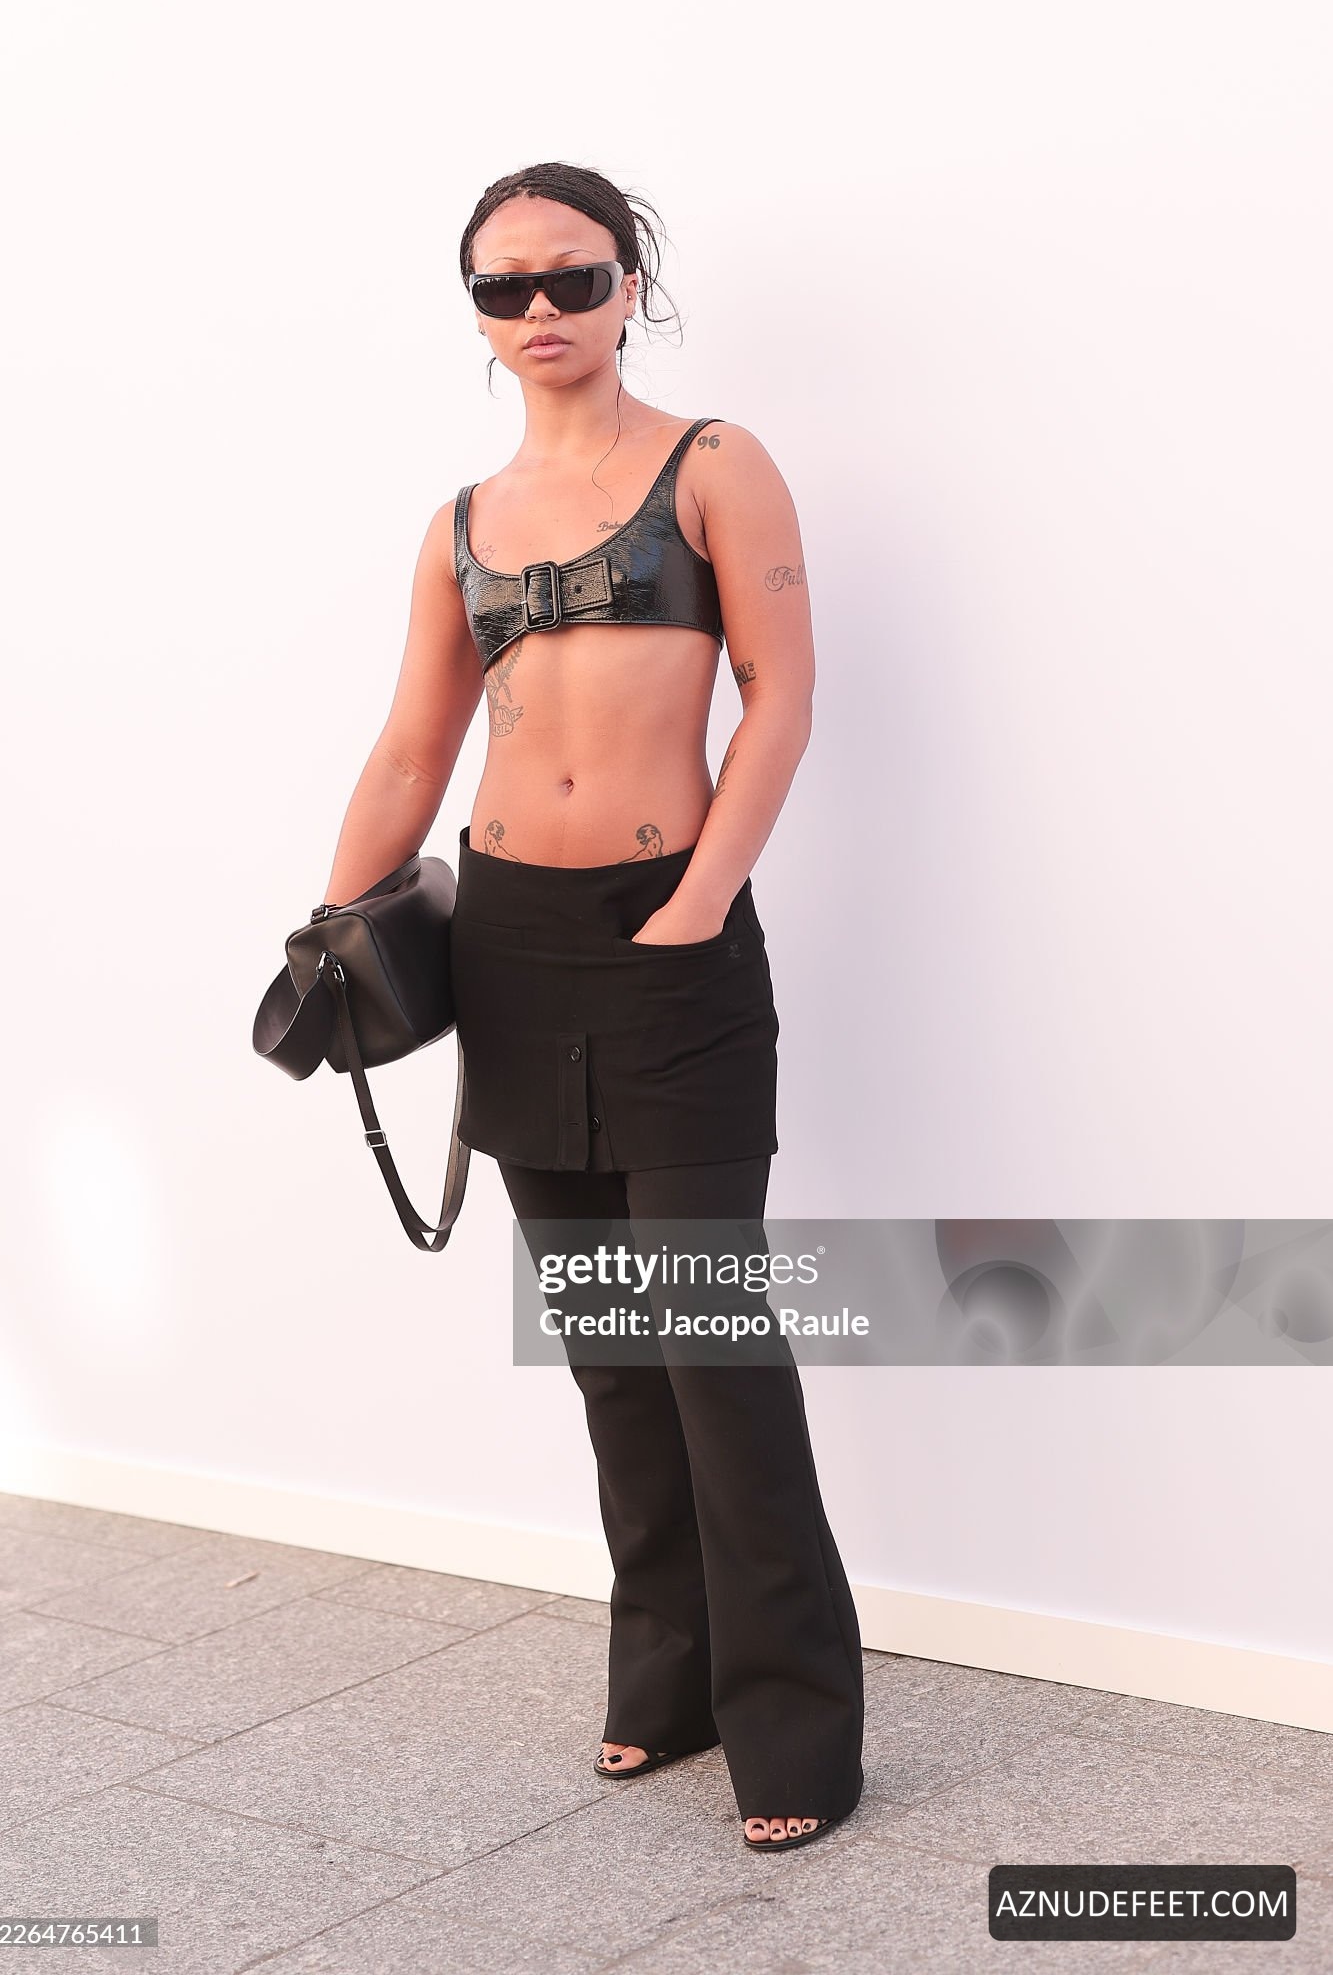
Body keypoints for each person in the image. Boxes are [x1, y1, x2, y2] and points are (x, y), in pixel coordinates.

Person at [321, 160, 865, 1853]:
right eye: (505, 288)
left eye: (572, 276)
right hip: (509, 946)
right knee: (611, 1352)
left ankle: (797, 1737)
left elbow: (780, 693)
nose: (541, 309)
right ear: (477, 314)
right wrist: (334, 929)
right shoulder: (459, 524)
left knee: (710, 1342)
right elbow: (412, 749)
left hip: (669, 933)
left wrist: (698, 902)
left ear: (630, 283)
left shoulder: (714, 466)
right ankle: (669, 1681)